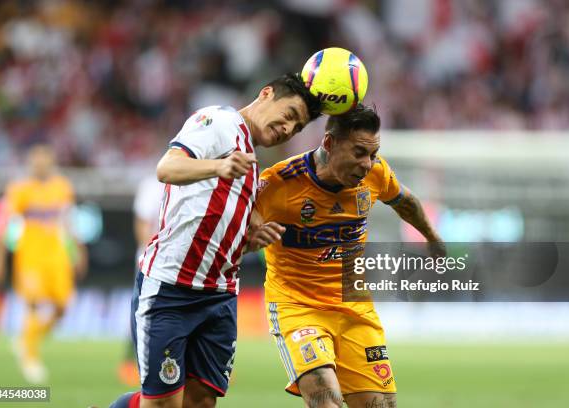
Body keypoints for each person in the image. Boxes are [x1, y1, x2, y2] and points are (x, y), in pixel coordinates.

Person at [109, 73, 321, 408]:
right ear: (266, 94)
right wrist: (218, 166)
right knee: (164, 404)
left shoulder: (250, 164)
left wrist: (251, 239)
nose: (287, 129)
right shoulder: (218, 121)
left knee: (201, 402)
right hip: (171, 288)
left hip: (219, 294)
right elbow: (167, 168)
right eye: (290, 115)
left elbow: (218, 225)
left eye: (296, 128)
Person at [254, 104, 444, 407]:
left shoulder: (376, 173)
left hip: (354, 309)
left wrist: (432, 237)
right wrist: (251, 237)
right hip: (298, 307)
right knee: (325, 401)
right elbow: (237, 225)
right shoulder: (279, 183)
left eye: (372, 154)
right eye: (359, 153)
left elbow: (405, 201)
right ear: (329, 144)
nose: (368, 163)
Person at [0, 143, 87, 384]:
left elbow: (68, 222)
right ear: (30, 163)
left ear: (51, 162)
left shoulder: (62, 188)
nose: (40, 165)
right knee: (32, 304)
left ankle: (25, 339)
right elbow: (5, 225)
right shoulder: (19, 190)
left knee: (62, 307)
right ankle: (30, 356)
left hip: (57, 257)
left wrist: (79, 251)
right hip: (30, 257)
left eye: (44, 160)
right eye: (36, 160)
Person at [118, 175, 165, 387]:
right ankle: (130, 362)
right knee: (142, 311)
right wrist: (151, 254)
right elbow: (142, 224)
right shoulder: (152, 186)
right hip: (154, 260)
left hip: (184, 262)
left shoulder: (198, 181)